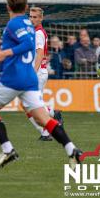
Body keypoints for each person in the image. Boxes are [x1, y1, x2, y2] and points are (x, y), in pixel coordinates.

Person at [0, 0, 81, 170]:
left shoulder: (14, 23)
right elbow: (23, 42)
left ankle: (7, 150)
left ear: (7, 7)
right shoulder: (28, 25)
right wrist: (2, 45)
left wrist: (4, 53)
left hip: (13, 77)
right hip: (28, 79)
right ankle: (71, 149)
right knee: (42, 117)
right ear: (26, 8)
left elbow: (28, 45)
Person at [28, 7, 63, 141]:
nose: (32, 19)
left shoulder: (38, 33)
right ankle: (47, 127)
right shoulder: (35, 32)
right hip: (38, 72)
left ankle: (50, 124)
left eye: (35, 17)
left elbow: (41, 52)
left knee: (32, 105)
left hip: (38, 73)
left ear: (41, 18)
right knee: (30, 105)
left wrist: (32, 72)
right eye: (31, 16)